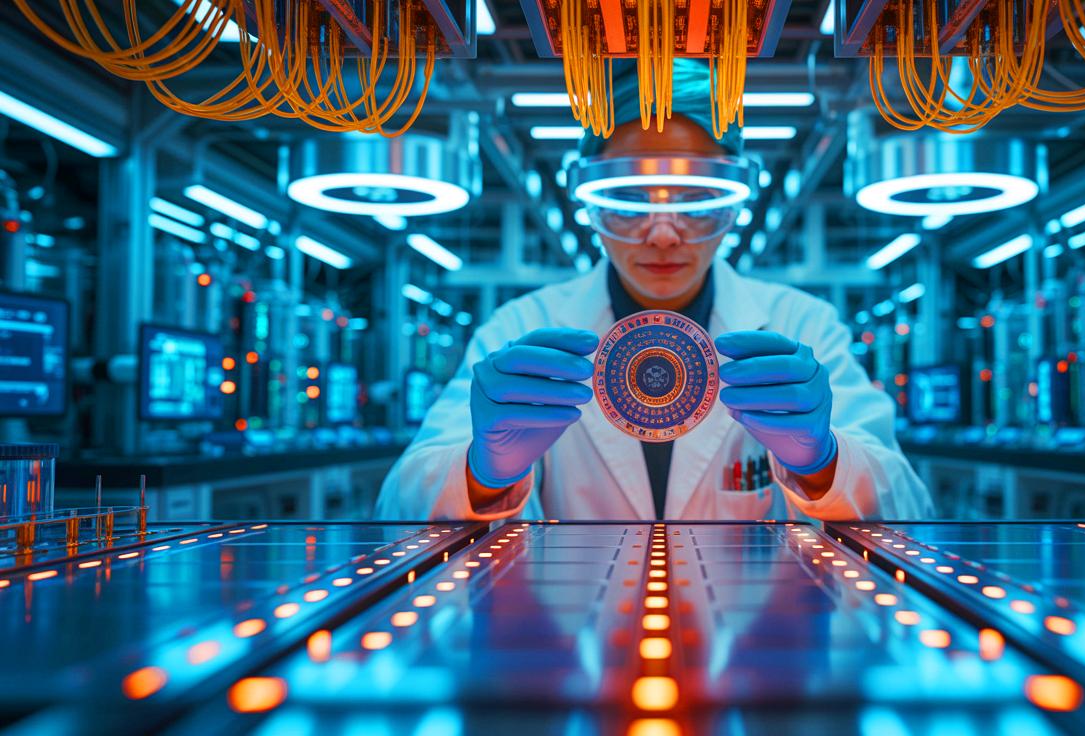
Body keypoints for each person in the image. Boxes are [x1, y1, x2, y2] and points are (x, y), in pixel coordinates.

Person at [376, 61, 930, 522]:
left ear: (736, 203)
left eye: (697, 199)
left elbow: (913, 509)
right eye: (628, 199)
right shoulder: (519, 326)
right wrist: (481, 472)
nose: (663, 233)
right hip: (578, 633)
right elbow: (394, 506)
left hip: (745, 641)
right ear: (589, 203)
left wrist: (824, 463)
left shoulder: (802, 324)